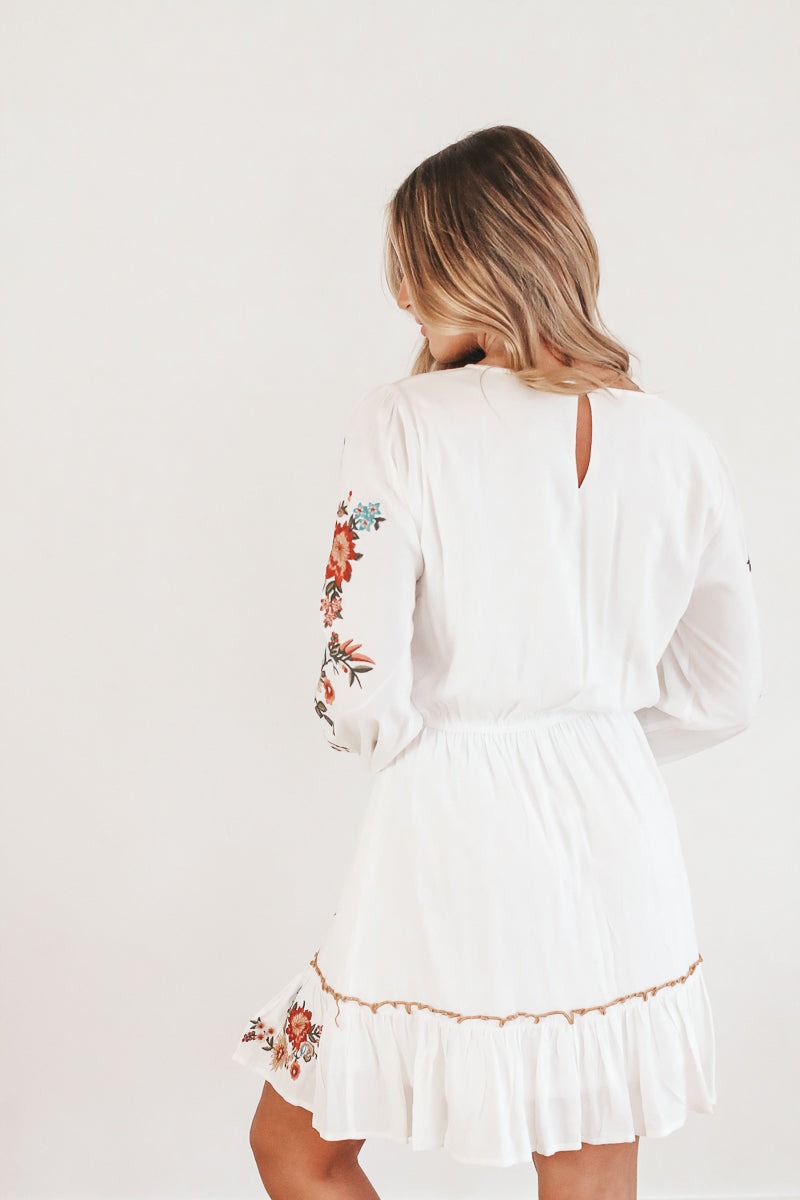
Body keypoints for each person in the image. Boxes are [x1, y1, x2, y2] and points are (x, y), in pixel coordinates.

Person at [232, 125, 764, 1199]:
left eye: (413, 268)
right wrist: (583, 736)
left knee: (298, 1147)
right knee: (589, 1179)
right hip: (617, 835)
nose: (399, 298)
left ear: (470, 266)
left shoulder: (404, 421)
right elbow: (723, 694)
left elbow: (356, 693)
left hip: (450, 833)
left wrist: (467, 742)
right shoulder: (677, 442)